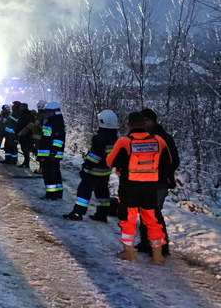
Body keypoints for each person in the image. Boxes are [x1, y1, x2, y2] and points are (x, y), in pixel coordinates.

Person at [106, 112, 172, 265]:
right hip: (150, 188)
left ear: (129, 125)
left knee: (127, 220)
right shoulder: (159, 141)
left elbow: (110, 161)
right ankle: (157, 256)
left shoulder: (124, 142)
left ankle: (129, 253)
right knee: (152, 220)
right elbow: (167, 161)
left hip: (129, 187)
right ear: (144, 124)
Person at [136, 108, 179, 256]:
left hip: (158, 182)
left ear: (153, 121)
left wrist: (160, 171)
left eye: (147, 120)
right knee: (144, 211)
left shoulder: (163, 138)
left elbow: (174, 161)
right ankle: (145, 242)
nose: (144, 123)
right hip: (143, 181)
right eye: (142, 120)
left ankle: (162, 247)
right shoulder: (142, 137)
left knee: (153, 213)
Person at [63, 110, 118, 221]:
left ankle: (78, 213)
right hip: (106, 172)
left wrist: (86, 167)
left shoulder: (99, 138)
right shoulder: (115, 138)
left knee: (83, 192)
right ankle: (102, 215)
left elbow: (94, 156)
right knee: (102, 193)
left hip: (93, 171)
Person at [37, 101, 66, 199]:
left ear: (55, 112)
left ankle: (51, 194)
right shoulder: (51, 121)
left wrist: (53, 152)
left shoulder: (56, 122)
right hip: (50, 153)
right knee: (55, 173)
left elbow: (58, 140)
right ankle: (58, 193)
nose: (47, 114)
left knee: (50, 174)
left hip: (52, 154)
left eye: (49, 112)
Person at [16, 103, 36, 168]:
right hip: (26, 134)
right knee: (24, 148)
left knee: (25, 148)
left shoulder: (24, 115)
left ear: (24, 107)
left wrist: (20, 132)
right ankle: (26, 162)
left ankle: (26, 162)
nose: (20, 108)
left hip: (25, 134)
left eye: (21, 106)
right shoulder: (28, 114)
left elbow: (21, 124)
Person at [32, 102, 47, 174]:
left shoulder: (43, 116)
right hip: (38, 139)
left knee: (41, 155)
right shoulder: (41, 116)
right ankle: (41, 169)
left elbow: (42, 127)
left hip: (40, 139)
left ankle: (42, 170)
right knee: (40, 154)